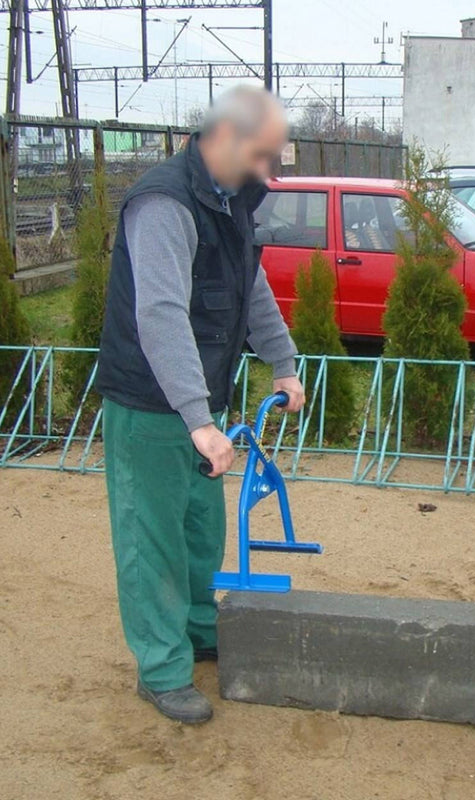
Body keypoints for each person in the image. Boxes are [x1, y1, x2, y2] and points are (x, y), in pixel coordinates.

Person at [96, 85, 304, 725]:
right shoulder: (164, 203)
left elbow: (251, 286)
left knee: (198, 528)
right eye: (263, 156)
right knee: (150, 537)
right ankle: (160, 669)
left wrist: (284, 361)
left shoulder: (228, 200)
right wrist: (197, 418)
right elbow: (159, 317)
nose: (268, 172)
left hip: (199, 406)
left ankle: (195, 626)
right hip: (153, 404)